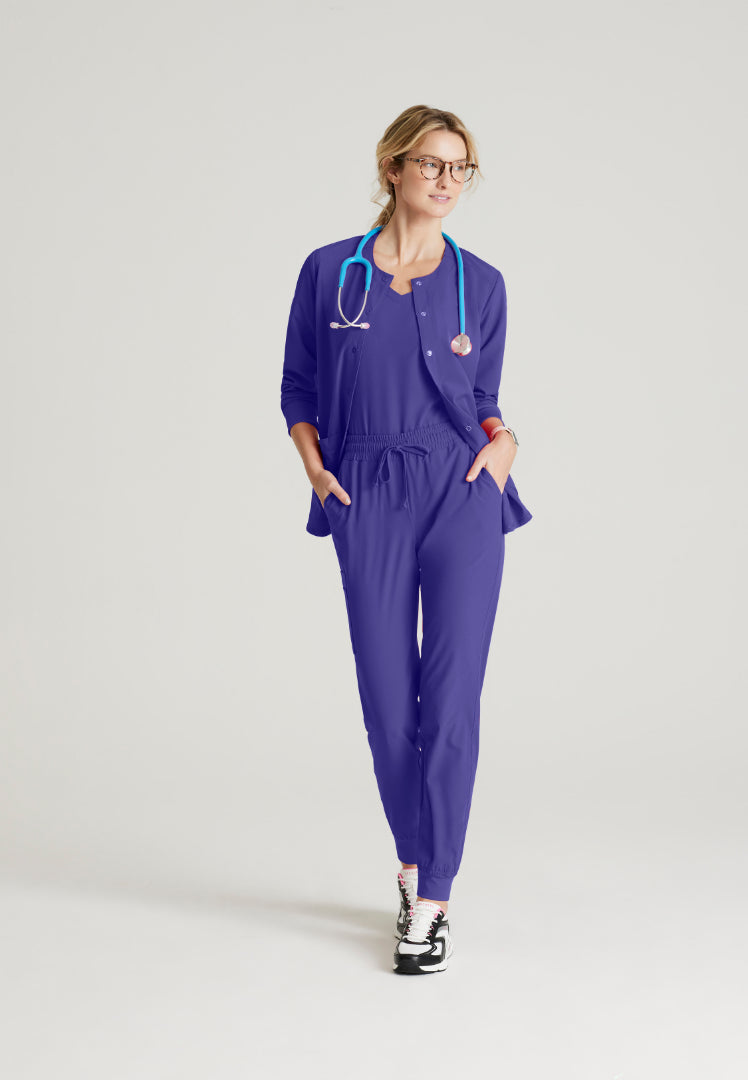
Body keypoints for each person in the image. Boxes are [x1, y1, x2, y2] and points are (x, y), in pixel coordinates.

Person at [280, 105, 532, 974]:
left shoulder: (481, 283)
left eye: (461, 168)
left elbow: (483, 397)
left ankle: (432, 900)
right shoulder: (329, 272)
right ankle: (414, 858)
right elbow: (298, 387)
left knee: (451, 702)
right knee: (390, 705)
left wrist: (506, 444)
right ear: (393, 167)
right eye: (431, 163)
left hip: (461, 493)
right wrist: (318, 471)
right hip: (368, 494)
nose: (447, 180)